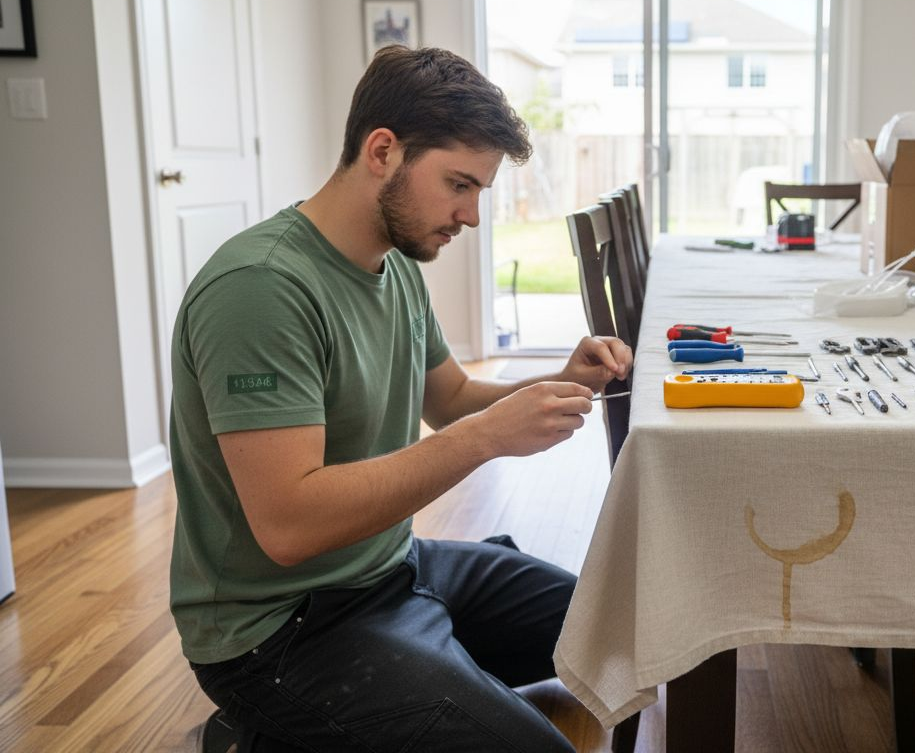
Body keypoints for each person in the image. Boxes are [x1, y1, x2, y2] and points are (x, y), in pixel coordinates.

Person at [170, 45, 630, 752]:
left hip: (392, 566)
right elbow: (289, 526)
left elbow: (450, 399)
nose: (472, 215)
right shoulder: (259, 290)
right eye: (459, 184)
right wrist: (484, 440)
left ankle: (416, 679)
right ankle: (263, 726)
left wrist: (558, 383)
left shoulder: (393, 266)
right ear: (382, 150)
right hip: (278, 632)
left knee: (612, 623)